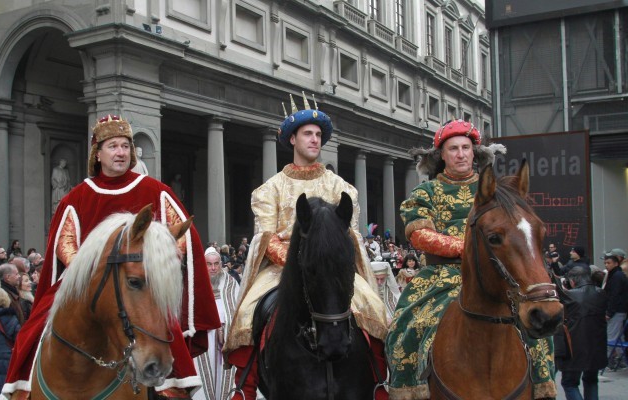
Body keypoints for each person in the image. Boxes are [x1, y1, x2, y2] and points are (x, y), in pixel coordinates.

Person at [3, 115, 220, 399]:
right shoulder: (77, 197)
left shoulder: (155, 190)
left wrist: (154, 260)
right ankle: (19, 387)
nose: (120, 152)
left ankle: (171, 387)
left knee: (164, 336)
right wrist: (90, 268)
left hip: (138, 281)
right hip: (84, 283)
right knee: (30, 333)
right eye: (113, 146)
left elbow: (181, 236)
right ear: (98, 153)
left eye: (125, 146)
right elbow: (64, 242)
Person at [224, 93, 389, 400]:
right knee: (249, 311)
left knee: (374, 308)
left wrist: (326, 261)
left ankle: (380, 381)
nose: (315, 140)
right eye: (308, 134)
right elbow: (266, 236)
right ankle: (244, 387)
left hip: (334, 270)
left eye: (318, 135)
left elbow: (350, 235)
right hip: (282, 268)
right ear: (292, 140)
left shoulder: (342, 188)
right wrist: (300, 261)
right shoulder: (268, 189)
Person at [385, 119, 557, 399]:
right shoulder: (426, 192)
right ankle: (408, 388)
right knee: (409, 326)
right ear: (441, 155)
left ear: (475, 152)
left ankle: (541, 386)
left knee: (539, 332)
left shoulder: (497, 192)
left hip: (495, 274)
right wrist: (467, 246)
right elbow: (419, 235)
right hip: (441, 276)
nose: (461, 154)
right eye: (453, 148)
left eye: (466, 147)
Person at [193, 248, 240, 400]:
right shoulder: (195, 285)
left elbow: (238, 312)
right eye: (208, 264)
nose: (213, 268)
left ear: (221, 264)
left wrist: (225, 328)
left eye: (216, 264)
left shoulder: (231, 283)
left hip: (225, 342)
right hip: (203, 340)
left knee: (223, 376)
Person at [555, 266, 607, 400]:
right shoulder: (601, 293)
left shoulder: (569, 295)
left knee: (569, 383)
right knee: (591, 380)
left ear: (573, 281)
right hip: (596, 346)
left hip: (574, 346)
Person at [603, 253, 628, 360]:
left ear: (616, 263)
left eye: (608, 263)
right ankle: (620, 359)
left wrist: (609, 312)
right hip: (618, 310)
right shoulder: (616, 275)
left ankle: (610, 359)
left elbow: (615, 295)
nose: (606, 265)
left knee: (612, 336)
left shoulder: (616, 276)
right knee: (618, 337)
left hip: (616, 311)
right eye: (605, 263)